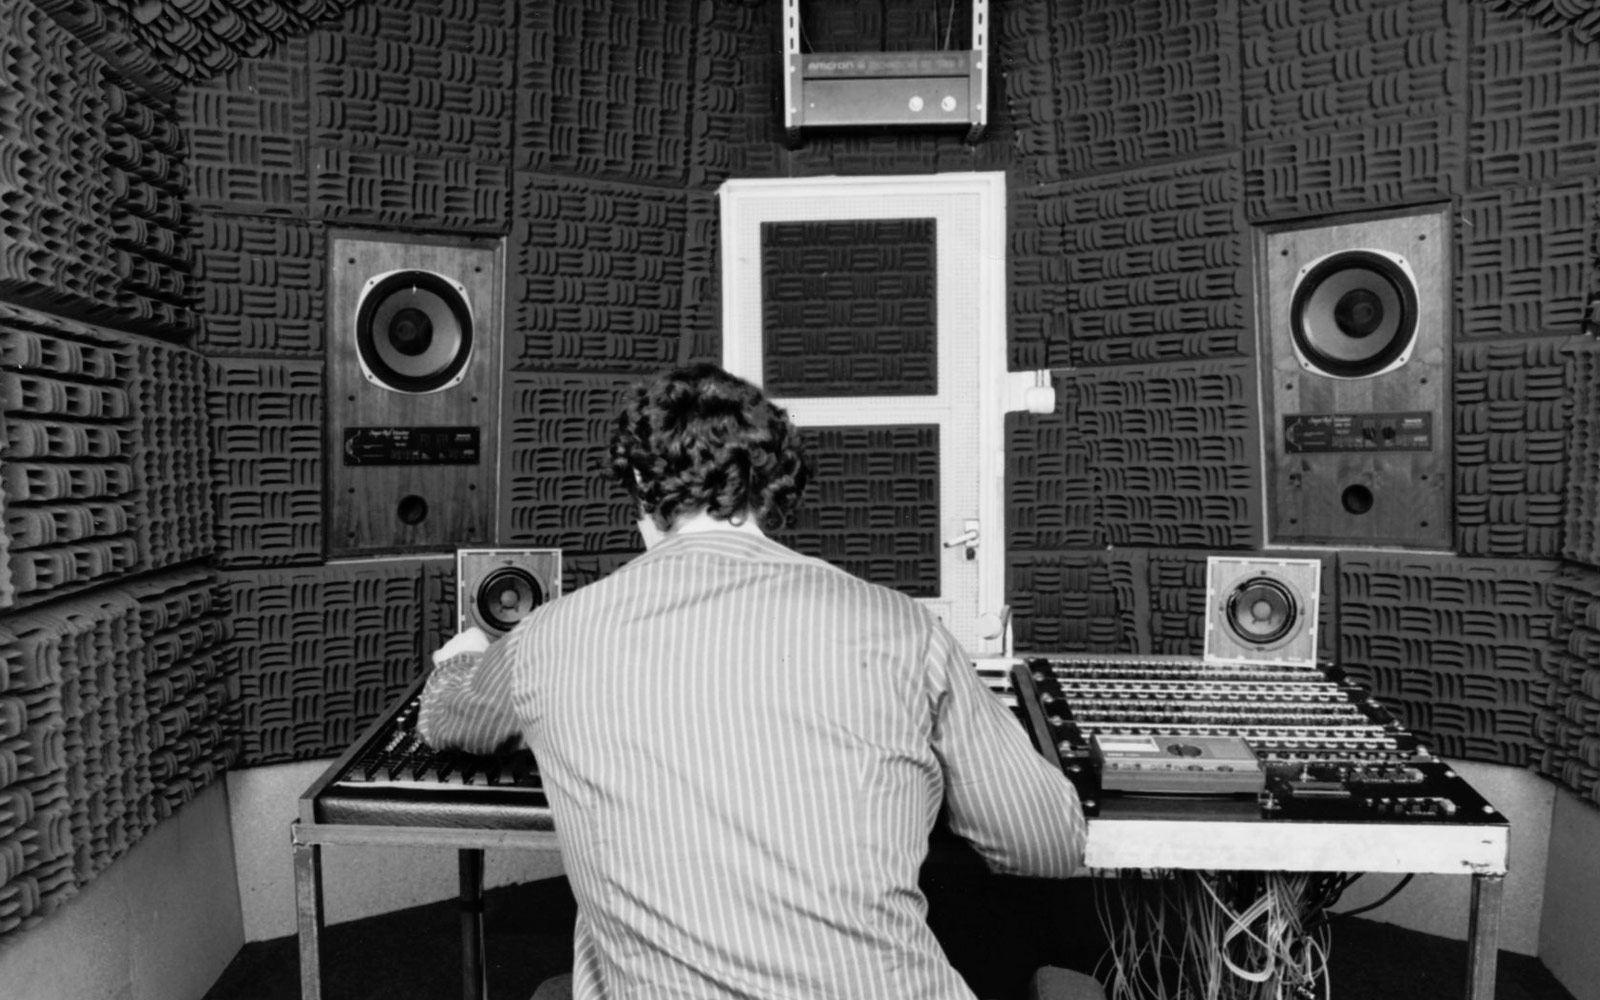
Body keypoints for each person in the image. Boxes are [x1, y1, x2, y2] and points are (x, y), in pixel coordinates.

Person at [417, 362, 1092, 1000]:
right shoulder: (900, 628)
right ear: (772, 489)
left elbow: (447, 718)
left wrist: (466, 654)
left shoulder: (547, 638)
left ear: (642, 495)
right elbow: (1045, 841)